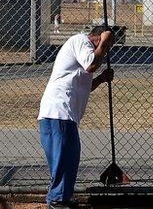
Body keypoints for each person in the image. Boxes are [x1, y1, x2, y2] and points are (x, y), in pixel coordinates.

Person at [38, 24, 115, 208]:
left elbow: (84, 83)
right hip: (58, 112)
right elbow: (91, 65)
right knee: (64, 159)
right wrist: (104, 42)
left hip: (63, 115)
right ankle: (56, 200)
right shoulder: (81, 41)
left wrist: (102, 79)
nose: (106, 50)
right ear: (96, 37)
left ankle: (61, 198)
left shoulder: (85, 48)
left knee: (69, 158)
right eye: (106, 45)